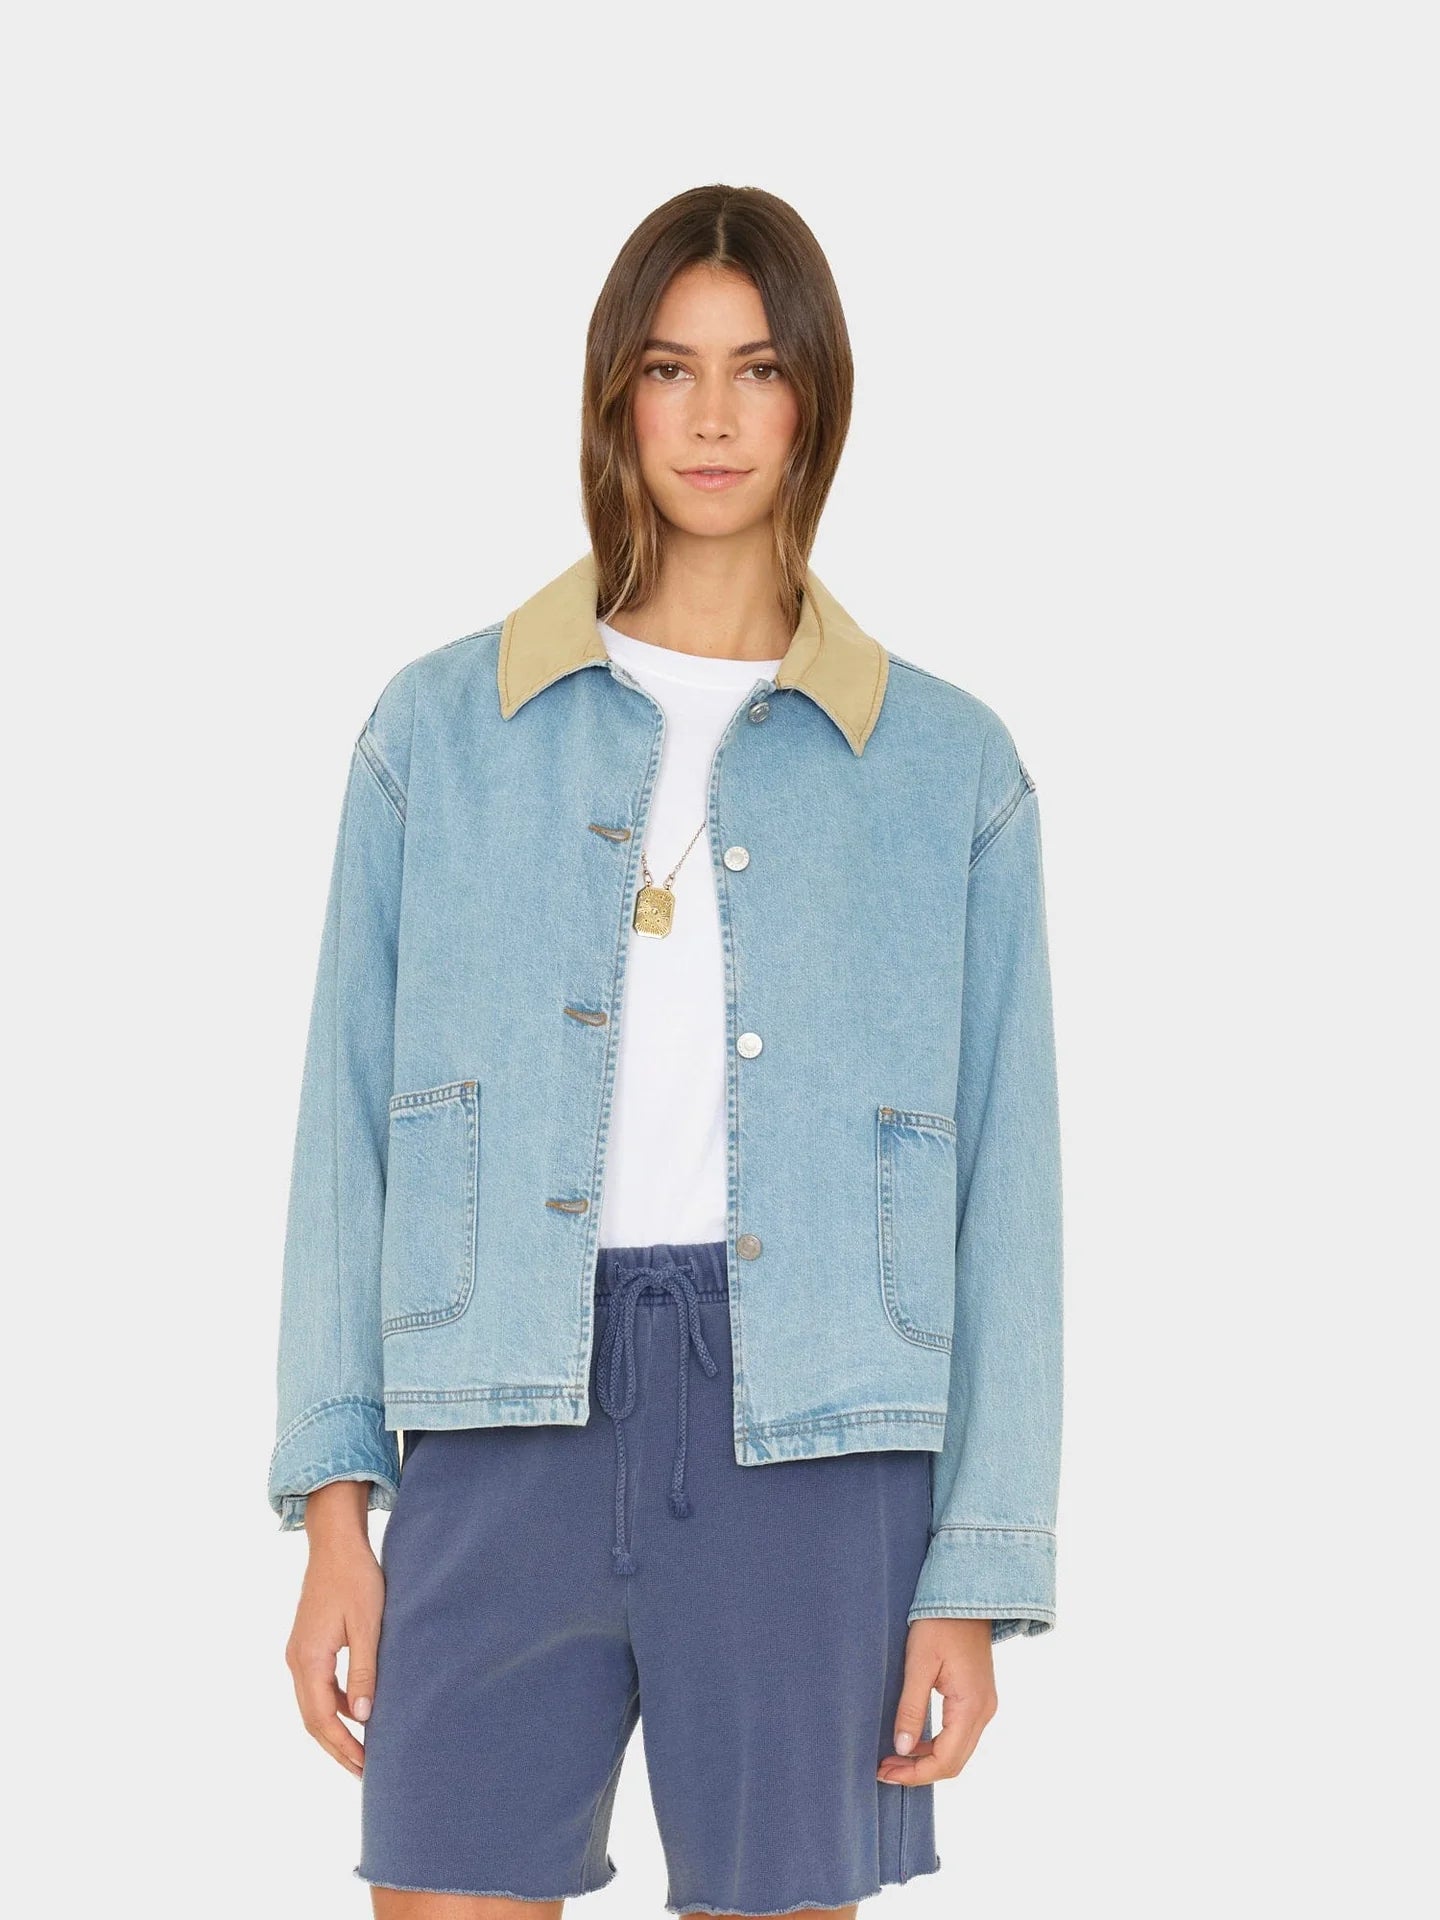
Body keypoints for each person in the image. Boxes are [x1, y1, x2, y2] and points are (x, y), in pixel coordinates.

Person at [269, 182, 1064, 1920]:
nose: (713, 417)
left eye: (758, 368)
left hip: (813, 1445)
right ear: (615, 396)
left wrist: (974, 1568)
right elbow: (347, 1134)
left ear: (814, 398)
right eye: (670, 368)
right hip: (500, 1415)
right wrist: (336, 1515)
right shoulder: (439, 733)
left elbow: (1011, 1192)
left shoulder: (946, 769)